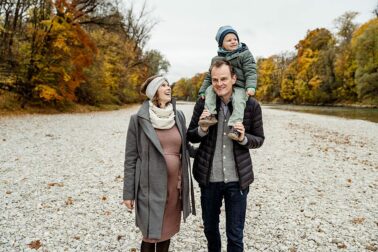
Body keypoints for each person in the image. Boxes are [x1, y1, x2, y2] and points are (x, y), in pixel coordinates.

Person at [187, 59, 264, 252]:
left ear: (234, 78)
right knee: (210, 230)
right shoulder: (203, 103)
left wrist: (244, 138)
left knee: (235, 234)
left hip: (237, 180)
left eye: (224, 79)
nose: (219, 84)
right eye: (215, 80)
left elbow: (259, 139)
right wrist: (203, 129)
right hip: (209, 179)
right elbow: (190, 135)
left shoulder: (251, 105)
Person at [122, 75, 195, 252]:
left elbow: (186, 147)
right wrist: (128, 193)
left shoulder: (178, 116)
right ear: (154, 92)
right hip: (149, 188)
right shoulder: (138, 120)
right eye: (163, 85)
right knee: (150, 235)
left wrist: (206, 142)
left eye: (168, 84)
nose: (168, 87)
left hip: (174, 187)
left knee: (166, 233)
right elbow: (130, 158)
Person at [198, 25, 258, 141]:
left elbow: (251, 70)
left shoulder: (244, 54)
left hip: (240, 86)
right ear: (221, 44)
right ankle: (210, 115)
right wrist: (202, 90)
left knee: (239, 100)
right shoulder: (217, 59)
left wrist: (251, 86)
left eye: (235, 39)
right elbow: (209, 76)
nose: (233, 42)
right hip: (222, 89)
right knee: (210, 90)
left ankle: (235, 126)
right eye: (229, 40)